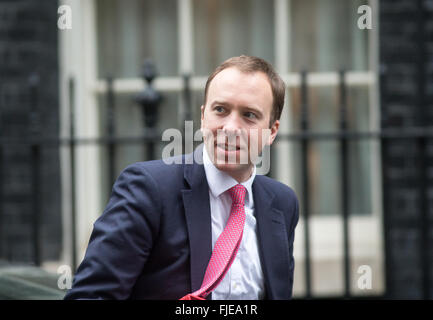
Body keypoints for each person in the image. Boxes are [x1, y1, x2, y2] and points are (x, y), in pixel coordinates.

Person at [64, 55, 299, 300]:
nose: (230, 127)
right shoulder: (148, 189)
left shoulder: (283, 203)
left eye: (249, 115)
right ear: (203, 117)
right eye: (220, 110)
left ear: (272, 131)